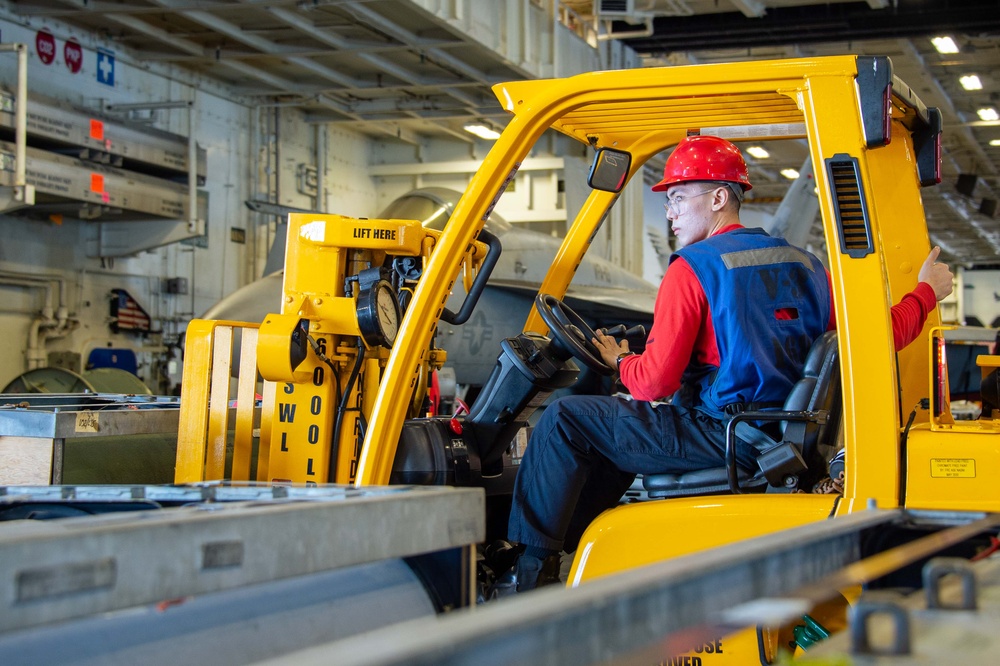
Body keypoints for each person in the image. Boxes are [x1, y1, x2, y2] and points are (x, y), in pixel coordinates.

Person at [495, 135, 954, 596]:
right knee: (611, 432)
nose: (670, 211)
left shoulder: (691, 269)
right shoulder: (807, 266)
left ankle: (528, 571)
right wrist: (925, 293)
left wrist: (623, 361)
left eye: (677, 197)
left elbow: (654, 384)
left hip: (721, 434)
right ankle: (572, 549)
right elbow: (879, 336)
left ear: (718, 198)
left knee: (564, 419)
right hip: (779, 435)